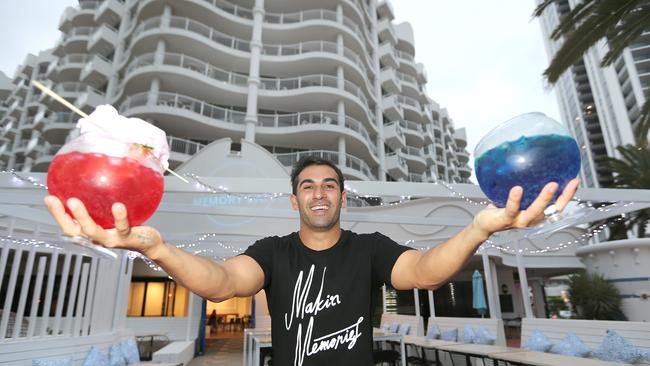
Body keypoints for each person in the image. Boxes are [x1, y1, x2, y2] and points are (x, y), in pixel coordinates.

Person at [44, 156, 579, 366]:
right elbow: (222, 282)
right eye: (307, 186)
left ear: (343, 198)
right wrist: (156, 248)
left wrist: (478, 228)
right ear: (294, 200)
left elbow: (425, 272)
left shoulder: (370, 248)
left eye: (329, 186)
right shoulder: (273, 253)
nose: (319, 193)